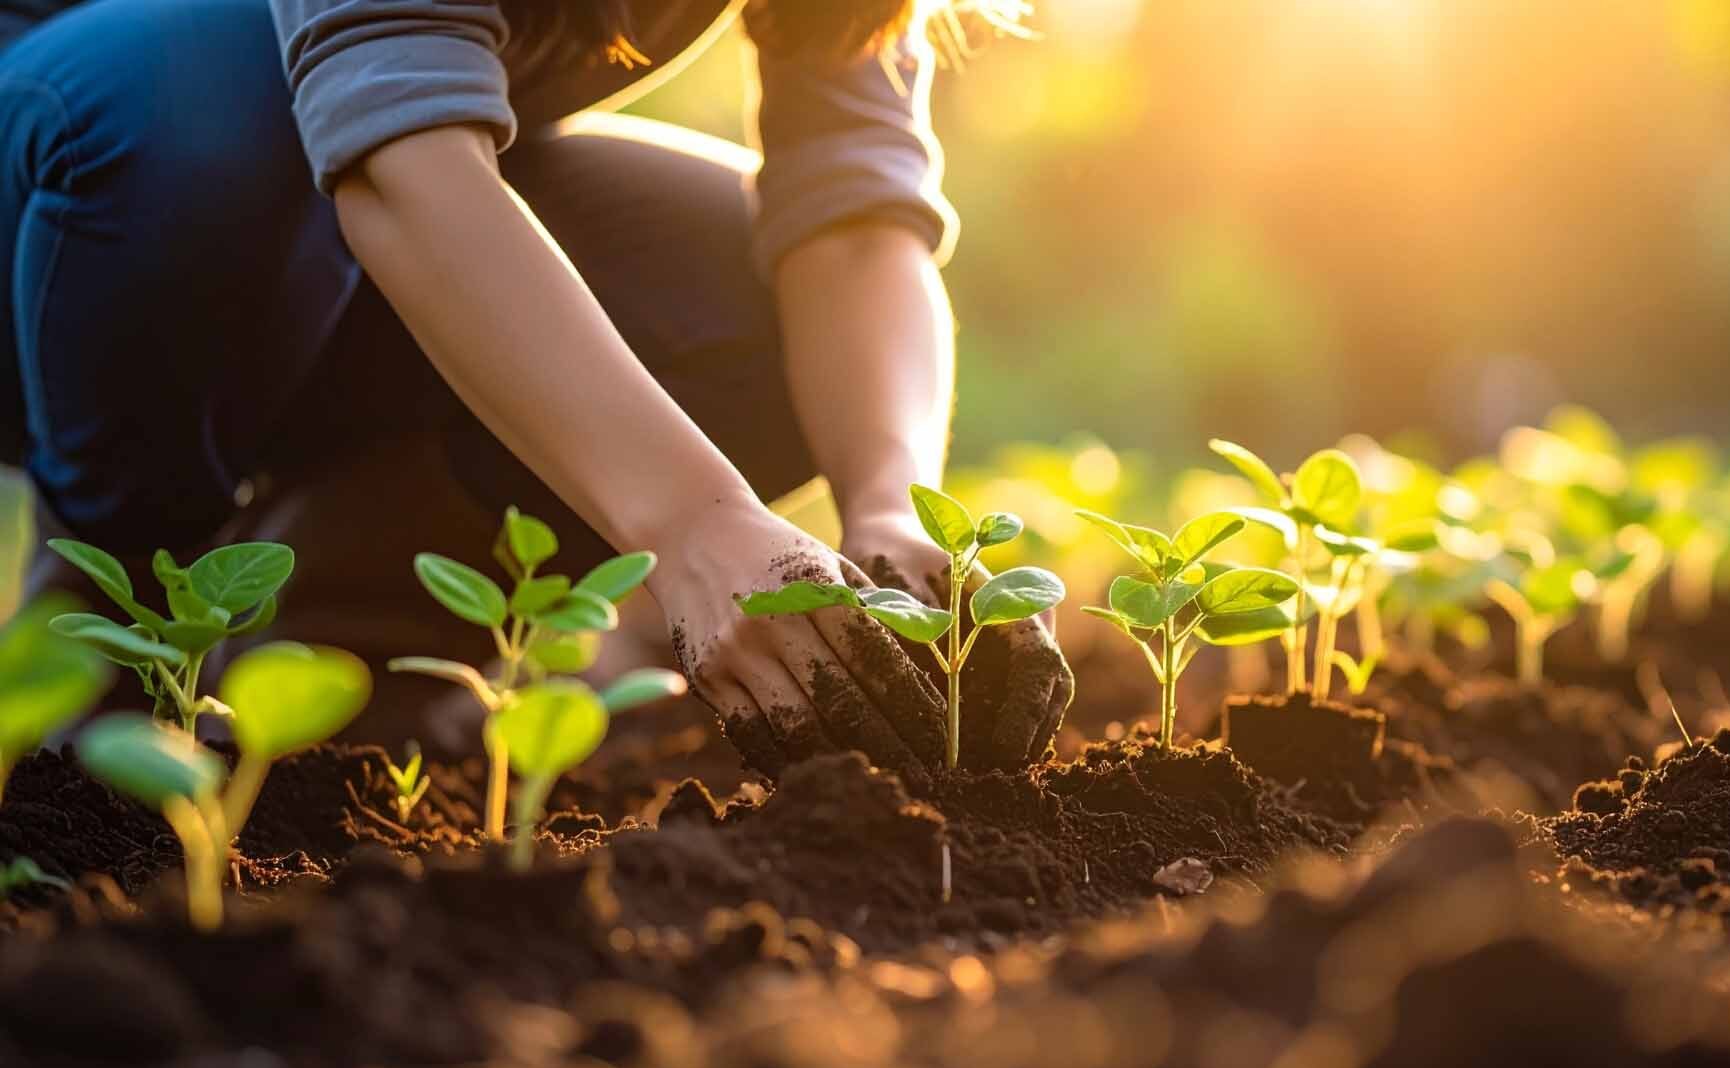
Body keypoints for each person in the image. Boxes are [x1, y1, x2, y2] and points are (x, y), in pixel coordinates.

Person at [0, 0, 1073, 782]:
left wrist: (887, 503)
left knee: (743, 307)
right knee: (187, 104)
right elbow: (398, 153)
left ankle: (347, 640)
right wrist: (694, 523)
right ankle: (105, 638)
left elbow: (855, 212)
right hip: (60, 233)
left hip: (330, 251)